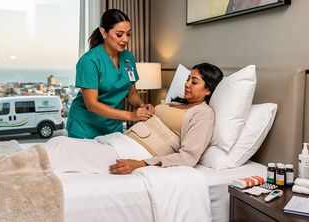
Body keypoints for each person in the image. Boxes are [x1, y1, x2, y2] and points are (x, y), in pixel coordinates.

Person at [46, 63, 223, 174]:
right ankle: (22, 165)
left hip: (137, 153)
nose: (186, 84)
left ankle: (21, 167)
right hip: (121, 141)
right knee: (59, 143)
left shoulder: (203, 114)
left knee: (62, 149)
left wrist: (140, 164)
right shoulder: (177, 104)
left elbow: (187, 157)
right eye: (187, 79)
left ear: (208, 89)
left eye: (194, 81)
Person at [66, 9, 154, 139]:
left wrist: (142, 107)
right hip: (85, 126)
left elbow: (132, 94)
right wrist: (131, 115)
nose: (125, 40)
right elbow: (92, 105)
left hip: (112, 126)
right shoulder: (89, 61)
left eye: (128, 34)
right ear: (103, 32)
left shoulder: (128, 58)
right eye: (119, 34)